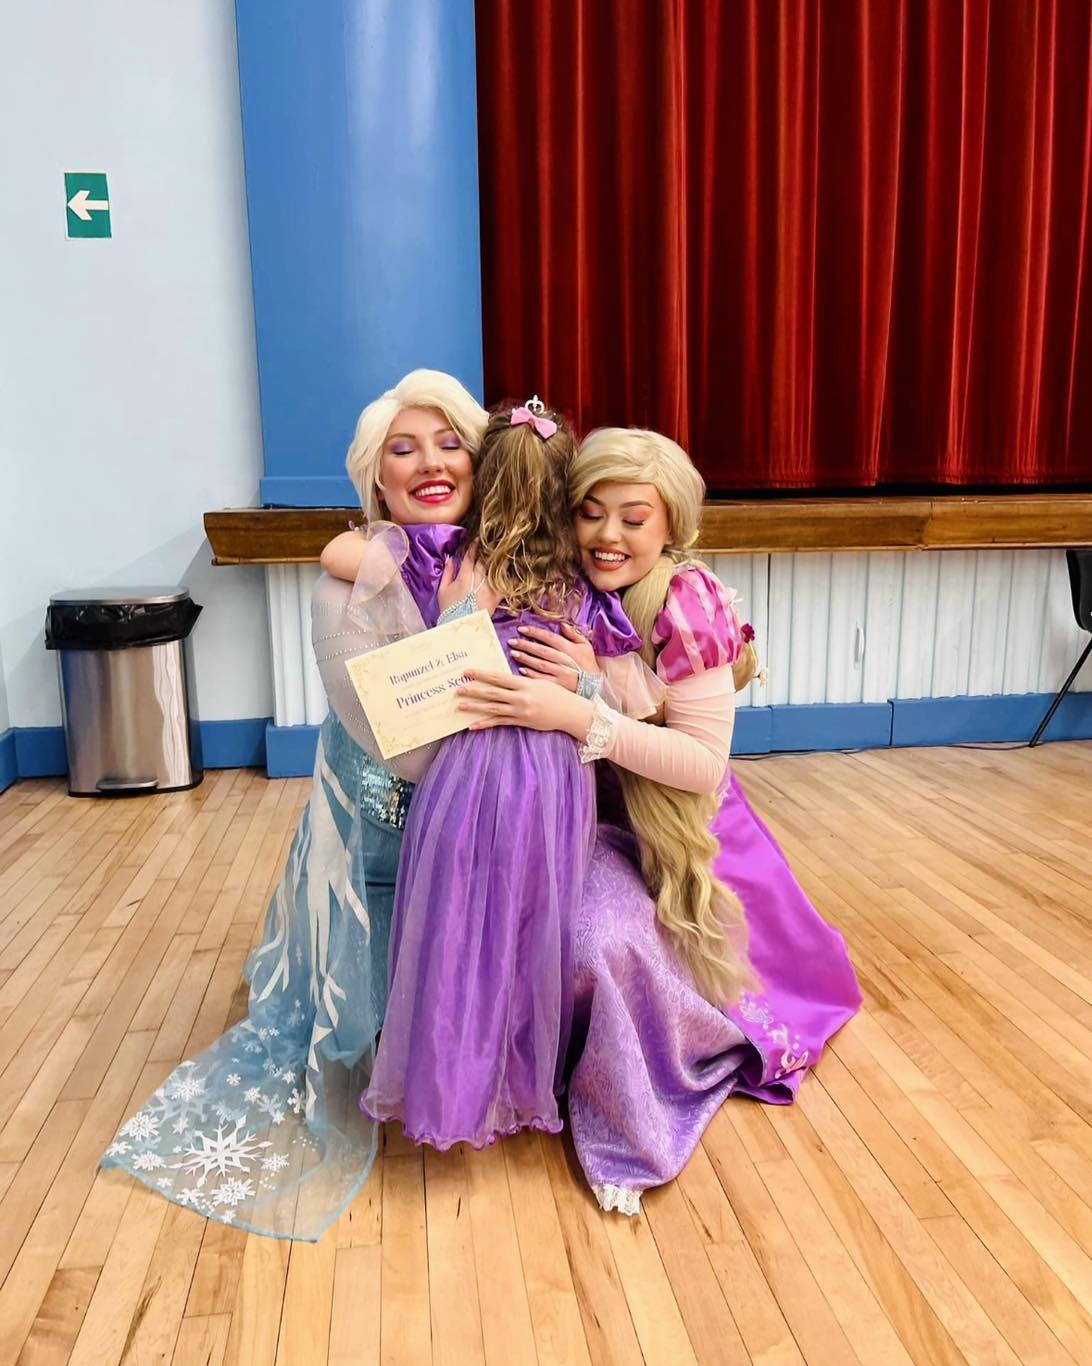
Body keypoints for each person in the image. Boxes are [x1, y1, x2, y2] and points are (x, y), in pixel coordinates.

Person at [101, 371, 488, 1240]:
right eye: (404, 449)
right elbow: (388, 735)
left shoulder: (508, 562)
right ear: (376, 476)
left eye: (448, 443)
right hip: (383, 840)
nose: (430, 463)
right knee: (376, 1029)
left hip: (482, 829)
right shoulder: (347, 579)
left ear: (478, 459)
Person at [456, 426, 862, 1213]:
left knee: (604, 946)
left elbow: (703, 766)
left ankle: (630, 1112)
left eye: (633, 518)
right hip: (581, 821)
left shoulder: (686, 603)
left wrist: (580, 709)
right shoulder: (559, 576)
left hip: (675, 839)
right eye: (590, 512)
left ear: (671, 524)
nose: (607, 535)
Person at [348, 400, 648, 1151]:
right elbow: (632, 703)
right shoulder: (582, 588)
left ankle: (452, 1089)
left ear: (484, 481)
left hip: (468, 771)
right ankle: (520, 1082)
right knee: (530, 932)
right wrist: (587, 678)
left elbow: (344, 561)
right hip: (549, 783)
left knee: (457, 930)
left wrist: (456, 614)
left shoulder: (456, 564)